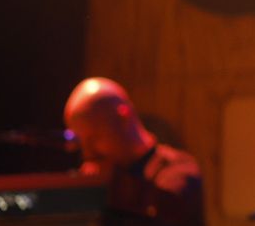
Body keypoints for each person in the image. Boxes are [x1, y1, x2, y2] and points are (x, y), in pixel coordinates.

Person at [63, 77, 201, 210]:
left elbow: (166, 208)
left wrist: (113, 181)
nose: (88, 153)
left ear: (123, 118)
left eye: (95, 138)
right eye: (80, 142)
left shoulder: (180, 169)